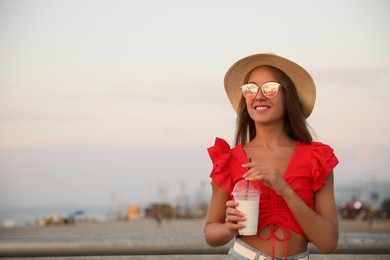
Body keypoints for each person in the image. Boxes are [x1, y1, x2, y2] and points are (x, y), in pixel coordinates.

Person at [204, 53, 339, 260]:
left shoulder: (316, 159)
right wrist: (228, 228)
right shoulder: (229, 159)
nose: (259, 96)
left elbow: (328, 243)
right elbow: (210, 233)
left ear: (288, 97)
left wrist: (284, 189)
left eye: (270, 88)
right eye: (250, 89)